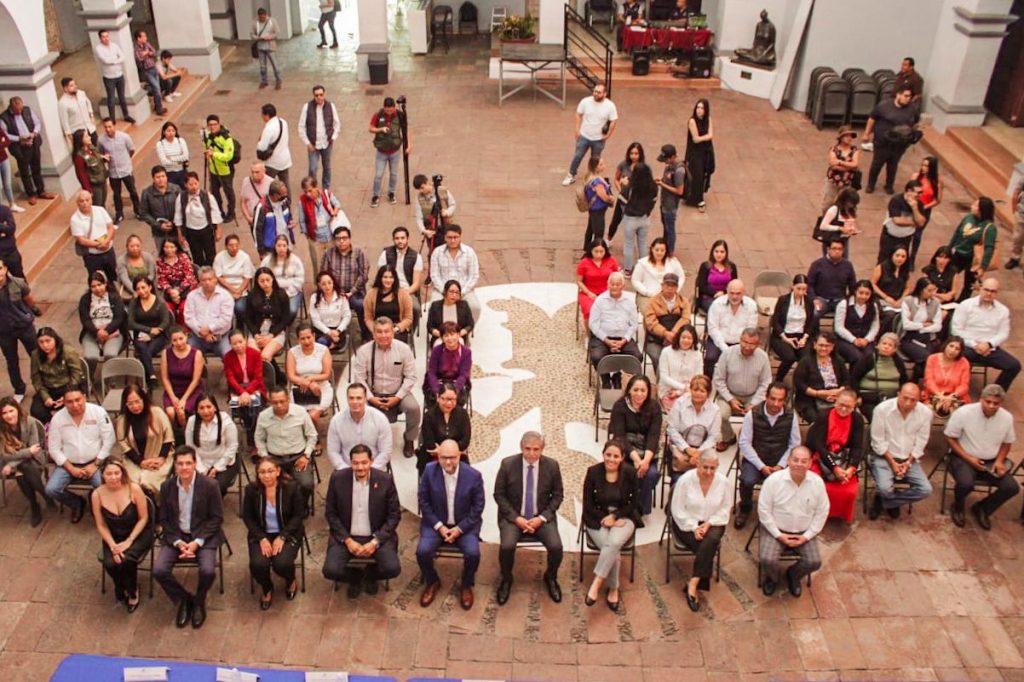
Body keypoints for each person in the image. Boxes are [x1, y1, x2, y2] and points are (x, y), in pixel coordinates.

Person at [154, 446, 223, 629]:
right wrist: (178, 542)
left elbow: (216, 519)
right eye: (180, 464)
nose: (184, 467)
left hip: (203, 536)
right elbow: (164, 519)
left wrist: (197, 542)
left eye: (188, 463)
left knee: (208, 571)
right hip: (176, 536)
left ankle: (199, 601)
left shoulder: (210, 485)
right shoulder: (167, 487)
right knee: (159, 570)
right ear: (175, 465)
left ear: (195, 464)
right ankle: (184, 600)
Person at [493, 431, 564, 605]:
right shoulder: (508, 465)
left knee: (556, 547)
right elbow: (499, 495)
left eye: (536, 449)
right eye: (528, 449)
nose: (531, 453)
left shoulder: (552, 466)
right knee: (507, 546)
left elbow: (558, 496)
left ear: (542, 449)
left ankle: (551, 577)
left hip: (541, 518)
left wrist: (542, 518)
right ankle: (506, 578)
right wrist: (516, 518)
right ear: (521, 447)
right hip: (514, 518)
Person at [322, 444, 402, 598]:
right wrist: (347, 540)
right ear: (350, 462)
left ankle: (371, 575)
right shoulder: (337, 479)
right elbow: (331, 513)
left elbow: (394, 515)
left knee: (393, 569)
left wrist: (375, 541)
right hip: (346, 537)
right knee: (330, 570)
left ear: (371, 461)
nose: (360, 467)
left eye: (364, 462)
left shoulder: (385, 480)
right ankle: (355, 577)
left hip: (376, 536)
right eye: (356, 463)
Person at [416, 440, 485, 610]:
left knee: (473, 554)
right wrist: (439, 526)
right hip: (435, 524)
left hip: (464, 526)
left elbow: (478, 507)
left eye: (452, 458)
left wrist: (459, 529)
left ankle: (466, 583)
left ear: (460, 455)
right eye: (444, 458)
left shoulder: (474, 476)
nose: (448, 462)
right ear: (438, 456)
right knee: (422, 552)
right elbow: (423, 501)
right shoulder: (429, 471)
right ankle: (432, 581)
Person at [757, 446, 828, 597]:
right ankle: (773, 578)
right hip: (776, 529)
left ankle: (793, 575)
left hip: (803, 532)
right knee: (767, 559)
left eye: (804, 461)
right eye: (795, 460)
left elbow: (822, 512)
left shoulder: (817, 483)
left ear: (810, 463)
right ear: (788, 461)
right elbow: (763, 511)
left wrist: (807, 536)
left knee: (814, 562)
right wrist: (778, 535)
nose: (799, 464)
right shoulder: (773, 481)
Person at [945, 384, 1019, 529]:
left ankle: (983, 508)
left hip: (991, 461)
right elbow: (950, 438)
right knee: (966, 483)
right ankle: (958, 506)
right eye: (988, 401)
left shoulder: (1007, 418)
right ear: (981, 399)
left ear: (1001, 403)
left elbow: (1007, 443)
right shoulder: (964, 412)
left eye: (996, 403)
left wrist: (999, 461)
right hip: (963, 457)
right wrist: (969, 458)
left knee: (1011, 487)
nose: (991, 406)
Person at [734, 382, 800, 529]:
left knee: (791, 480)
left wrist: (781, 465)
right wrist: (761, 466)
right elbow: (744, 443)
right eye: (772, 399)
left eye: (780, 400)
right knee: (747, 480)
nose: (776, 403)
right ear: (766, 397)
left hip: (780, 460)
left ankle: (780, 510)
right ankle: (745, 508)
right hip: (756, 459)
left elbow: (794, 444)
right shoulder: (752, 414)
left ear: (785, 400)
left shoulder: (791, 416)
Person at [581, 440, 638, 612]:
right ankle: (613, 588)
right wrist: (606, 519)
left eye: (616, 456)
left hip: (624, 517)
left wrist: (615, 516)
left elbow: (634, 503)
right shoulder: (592, 472)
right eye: (608, 455)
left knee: (613, 543)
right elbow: (588, 505)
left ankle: (597, 582)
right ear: (603, 454)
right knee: (613, 548)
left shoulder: (630, 473)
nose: (611, 459)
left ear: (622, 458)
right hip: (597, 518)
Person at [670, 449, 729, 611]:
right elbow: (677, 510)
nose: (708, 472)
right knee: (709, 545)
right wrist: (694, 527)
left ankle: (693, 583)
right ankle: (697, 582)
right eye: (705, 467)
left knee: (711, 539)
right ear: (698, 464)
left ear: (717, 467)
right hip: (686, 522)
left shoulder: (723, 482)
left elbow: (725, 509)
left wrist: (709, 523)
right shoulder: (685, 481)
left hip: (714, 522)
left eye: (712, 468)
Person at [353, 317, 420, 458]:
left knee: (413, 408)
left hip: (397, 392)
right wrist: (371, 398)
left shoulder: (404, 349)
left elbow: (411, 377)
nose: (383, 335)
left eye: (387, 331)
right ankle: (365, 440)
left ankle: (409, 438)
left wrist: (398, 397)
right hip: (372, 393)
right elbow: (359, 378)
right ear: (373, 334)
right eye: (379, 332)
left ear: (393, 332)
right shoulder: (364, 351)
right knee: (356, 406)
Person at [45, 384, 114, 522]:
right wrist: (71, 468)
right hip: (68, 463)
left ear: (85, 397)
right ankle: (76, 503)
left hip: (95, 462)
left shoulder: (98, 412)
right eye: (70, 401)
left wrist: (96, 464)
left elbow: (109, 440)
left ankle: (96, 501)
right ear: (64, 402)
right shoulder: (58, 418)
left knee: (103, 486)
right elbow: (53, 448)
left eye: (78, 400)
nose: (75, 405)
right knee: (51, 489)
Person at [243, 457, 305, 609]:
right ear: (258, 474)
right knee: (258, 564)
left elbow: (298, 516)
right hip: (261, 534)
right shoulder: (251, 490)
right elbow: (248, 517)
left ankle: (290, 580)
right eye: (262, 472)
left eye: (270, 471)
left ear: (278, 471)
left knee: (282, 563)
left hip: (287, 532)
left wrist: (282, 537)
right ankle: (266, 588)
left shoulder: (291, 488)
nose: (267, 475)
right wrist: (262, 538)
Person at [92, 459, 152, 612]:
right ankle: (121, 584)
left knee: (126, 560)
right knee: (110, 563)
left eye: (116, 473)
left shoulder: (134, 489)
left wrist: (129, 541)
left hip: (138, 533)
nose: (113, 477)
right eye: (109, 474)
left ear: (122, 473)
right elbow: (101, 525)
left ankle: (132, 590)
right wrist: (113, 545)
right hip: (114, 535)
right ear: (103, 475)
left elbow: (144, 518)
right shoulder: (97, 495)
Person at [868, 383, 934, 520]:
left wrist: (908, 462)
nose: (908, 403)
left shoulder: (925, 413)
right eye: (905, 398)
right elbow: (877, 441)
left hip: (908, 458)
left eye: (913, 400)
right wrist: (892, 463)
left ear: (918, 400)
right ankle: (888, 497)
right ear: (898, 395)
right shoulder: (882, 410)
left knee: (925, 490)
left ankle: (886, 501)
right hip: (884, 456)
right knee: (885, 488)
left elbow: (921, 441)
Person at [950, 277, 1019, 391]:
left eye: (993, 291)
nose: (989, 293)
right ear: (980, 289)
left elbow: (1003, 333)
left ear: (997, 293)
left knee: (1014, 366)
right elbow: (956, 330)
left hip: (989, 349)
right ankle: (955, 390)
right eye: (986, 290)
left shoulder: (1002, 310)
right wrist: (975, 345)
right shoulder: (966, 305)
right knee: (956, 357)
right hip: (967, 346)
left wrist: (989, 344)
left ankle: (993, 393)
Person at [806, 389, 864, 524]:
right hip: (821, 456)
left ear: (854, 406)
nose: (843, 409)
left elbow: (857, 446)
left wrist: (851, 468)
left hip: (844, 457)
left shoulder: (857, 419)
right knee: (817, 485)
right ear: (835, 401)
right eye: (841, 404)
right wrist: (834, 468)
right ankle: (817, 514)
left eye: (848, 407)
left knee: (849, 490)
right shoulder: (823, 416)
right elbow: (819, 446)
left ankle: (840, 514)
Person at [609, 375, 662, 516]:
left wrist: (645, 461)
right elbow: (620, 436)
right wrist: (637, 460)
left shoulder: (654, 407)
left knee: (650, 474)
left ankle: (639, 510)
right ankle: (624, 506)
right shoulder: (620, 406)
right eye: (636, 390)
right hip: (625, 451)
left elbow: (654, 436)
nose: (639, 394)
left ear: (648, 392)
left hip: (647, 452)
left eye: (643, 390)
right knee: (627, 471)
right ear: (629, 390)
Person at [254, 386, 318, 498]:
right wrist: (266, 458)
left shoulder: (300, 412)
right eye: (275, 402)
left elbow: (312, 435)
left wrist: (306, 456)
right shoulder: (263, 416)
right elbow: (259, 439)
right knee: (265, 483)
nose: (279, 405)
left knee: (306, 484)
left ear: (288, 399)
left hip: (298, 457)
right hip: (274, 458)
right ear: (270, 402)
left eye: (282, 401)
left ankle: (300, 506)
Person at [0, 396, 52, 527]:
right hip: (10, 462)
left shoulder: (30, 422)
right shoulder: (1, 429)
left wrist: (12, 464)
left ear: (17, 409)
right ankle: (45, 496)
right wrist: (27, 452)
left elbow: (35, 450)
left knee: (23, 469)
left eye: (11, 411)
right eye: (4, 413)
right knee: (24, 469)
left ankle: (34, 505)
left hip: (34, 460)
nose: (8, 415)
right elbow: (5, 455)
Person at [115, 383, 174, 495]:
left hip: (159, 459)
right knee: (132, 484)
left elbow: (168, 437)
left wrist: (161, 458)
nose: (135, 406)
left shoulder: (157, 412)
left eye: (137, 401)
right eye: (130, 404)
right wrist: (140, 462)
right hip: (134, 462)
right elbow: (123, 444)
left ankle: (155, 504)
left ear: (144, 399)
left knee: (148, 481)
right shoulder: (122, 420)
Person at [588, 271, 642, 388]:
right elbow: (593, 323)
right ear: (608, 285)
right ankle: (605, 379)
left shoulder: (629, 302)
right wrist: (606, 340)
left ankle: (618, 375)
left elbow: (633, 325)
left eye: (617, 284)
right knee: (597, 356)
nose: (614, 287)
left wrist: (624, 340)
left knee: (637, 357)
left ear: (623, 286)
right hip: (603, 338)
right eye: (612, 284)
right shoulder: (600, 300)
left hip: (623, 338)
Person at [862, 85, 920, 194]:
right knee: (877, 164)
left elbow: (915, 122)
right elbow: (872, 118)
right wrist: (866, 133)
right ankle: (871, 184)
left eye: (910, 97)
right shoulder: (884, 106)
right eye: (906, 96)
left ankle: (889, 185)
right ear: (898, 94)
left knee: (893, 165)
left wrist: (912, 134)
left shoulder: (912, 109)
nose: (908, 99)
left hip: (899, 145)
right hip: (882, 143)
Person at [0, 96, 56, 205]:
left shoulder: (27, 110)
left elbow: (37, 123)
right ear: (11, 107)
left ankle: (41, 191)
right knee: (25, 171)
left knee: (36, 168)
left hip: (33, 143)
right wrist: (19, 138)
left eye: (21, 108)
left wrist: (34, 133)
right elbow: (5, 135)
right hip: (20, 147)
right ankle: (31, 194)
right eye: (17, 110)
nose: (20, 111)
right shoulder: (4, 118)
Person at [325, 382, 393, 471]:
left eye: (359, 398)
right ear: (347, 399)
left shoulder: (380, 419)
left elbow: (385, 451)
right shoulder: (336, 421)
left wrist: (369, 471)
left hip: (374, 469)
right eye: (351, 398)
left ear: (365, 398)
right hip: (346, 469)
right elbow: (333, 452)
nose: (355, 402)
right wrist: (346, 471)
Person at [666, 374, 720, 481]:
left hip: (703, 450)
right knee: (678, 479)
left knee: (703, 477)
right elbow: (672, 429)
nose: (698, 393)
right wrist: (687, 449)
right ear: (690, 390)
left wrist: (699, 452)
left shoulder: (715, 410)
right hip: (681, 448)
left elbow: (713, 436)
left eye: (702, 391)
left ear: (708, 393)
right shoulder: (679, 403)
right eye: (695, 390)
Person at [185, 393, 240, 497]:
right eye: (201, 408)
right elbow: (190, 448)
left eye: (209, 407)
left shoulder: (225, 420)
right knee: (195, 485)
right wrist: (201, 469)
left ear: (215, 407)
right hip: (200, 462)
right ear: (197, 410)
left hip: (224, 462)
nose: (205, 411)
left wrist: (216, 468)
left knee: (216, 486)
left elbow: (232, 447)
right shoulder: (192, 421)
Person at [563, 83, 617, 187]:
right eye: (595, 91)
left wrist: (608, 135)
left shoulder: (610, 106)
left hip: (599, 139)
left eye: (599, 92)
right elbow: (578, 114)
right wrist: (577, 129)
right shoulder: (585, 101)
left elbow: (613, 121)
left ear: (605, 94)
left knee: (595, 160)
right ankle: (571, 175)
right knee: (577, 156)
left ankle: (592, 177)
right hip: (584, 136)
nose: (596, 94)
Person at [320, 226, 369, 339]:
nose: (341, 241)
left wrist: (351, 292)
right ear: (334, 240)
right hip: (333, 292)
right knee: (321, 304)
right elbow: (323, 275)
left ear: (350, 239)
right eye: (338, 239)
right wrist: (335, 291)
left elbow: (364, 275)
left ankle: (366, 336)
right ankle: (330, 336)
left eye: (344, 238)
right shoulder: (328, 254)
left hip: (354, 292)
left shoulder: (359, 252)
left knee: (362, 305)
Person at [30, 327, 85, 425]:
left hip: (68, 386)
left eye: (48, 341)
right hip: (48, 389)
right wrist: (46, 397)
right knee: (36, 411)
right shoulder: (35, 355)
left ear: (55, 339)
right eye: (41, 342)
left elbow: (76, 375)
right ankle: (51, 427)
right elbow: (36, 379)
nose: (45, 345)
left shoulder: (68, 352)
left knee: (73, 407)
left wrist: (67, 396)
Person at [0, 259, 38, 401]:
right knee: (11, 361)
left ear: (5, 269)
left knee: (36, 356)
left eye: (0, 268)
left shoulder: (18, 283)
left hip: (24, 327)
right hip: (4, 332)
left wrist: (29, 314)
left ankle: (43, 385)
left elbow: (29, 300)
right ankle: (19, 389)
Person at [704, 279, 758, 377]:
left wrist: (740, 347)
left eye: (738, 293)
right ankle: (708, 382)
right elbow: (713, 329)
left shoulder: (751, 305)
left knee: (748, 360)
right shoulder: (716, 304)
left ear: (744, 293)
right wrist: (725, 348)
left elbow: (750, 330)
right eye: (732, 293)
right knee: (710, 358)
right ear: (727, 291)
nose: (734, 296)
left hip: (741, 342)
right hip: (718, 341)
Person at [948, 197, 997, 301]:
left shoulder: (989, 227)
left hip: (974, 259)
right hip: (958, 254)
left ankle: (961, 303)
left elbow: (989, 248)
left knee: (968, 285)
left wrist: (983, 267)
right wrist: (949, 248)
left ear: (981, 210)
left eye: (975, 205)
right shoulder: (968, 217)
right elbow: (957, 233)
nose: (972, 206)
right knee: (949, 276)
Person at [793, 332, 849, 424]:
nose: (824, 348)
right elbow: (799, 383)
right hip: (811, 399)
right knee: (821, 422)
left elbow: (846, 380)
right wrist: (818, 393)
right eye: (821, 345)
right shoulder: (805, 361)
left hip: (836, 397)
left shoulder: (838, 360)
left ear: (832, 347)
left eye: (827, 346)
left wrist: (838, 392)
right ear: (815, 345)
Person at [429, 225, 481, 322]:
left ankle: (467, 328)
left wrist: (461, 292)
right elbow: (434, 275)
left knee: (475, 307)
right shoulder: (437, 252)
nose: (452, 240)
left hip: (464, 290)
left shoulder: (469, 252)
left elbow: (474, 276)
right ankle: (440, 329)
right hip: (442, 290)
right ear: (445, 238)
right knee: (433, 306)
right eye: (449, 237)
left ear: (460, 237)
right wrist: (445, 292)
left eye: (455, 237)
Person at [417, 382, 471, 476]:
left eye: (453, 399)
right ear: (438, 397)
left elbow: (465, 441)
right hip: (433, 455)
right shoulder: (429, 415)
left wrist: (449, 452)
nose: (449, 403)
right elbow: (429, 443)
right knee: (429, 474)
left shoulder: (463, 414)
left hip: (456, 453)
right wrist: (445, 453)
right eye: (445, 399)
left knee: (466, 476)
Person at [851, 332, 908, 420]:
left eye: (890, 345)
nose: (886, 347)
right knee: (877, 418)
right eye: (884, 343)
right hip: (869, 400)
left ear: (894, 349)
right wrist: (857, 396)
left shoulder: (898, 362)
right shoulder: (868, 358)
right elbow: (854, 378)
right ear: (878, 345)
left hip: (892, 400)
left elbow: (904, 381)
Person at [769, 274, 816, 381]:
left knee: (806, 358)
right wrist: (785, 338)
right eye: (798, 289)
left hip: (801, 336)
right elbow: (775, 321)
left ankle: (800, 381)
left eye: (804, 289)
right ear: (792, 286)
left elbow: (811, 323)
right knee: (789, 357)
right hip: (783, 336)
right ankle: (779, 380)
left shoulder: (809, 302)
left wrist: (804, 338)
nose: (801, 292)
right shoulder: (783, 300)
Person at [223, 329, 266, 444]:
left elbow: (258, 378)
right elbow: (230, 378)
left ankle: (258, 440)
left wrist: (247, 392)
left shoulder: (256, 354)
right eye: (234, 343)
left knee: (256, 409)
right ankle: (251, 441)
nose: (238, 346)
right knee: (245, 408)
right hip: (238, 389)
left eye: (240, 342)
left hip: (255, 387)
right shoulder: (228, 357)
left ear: (245, 340)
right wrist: (242, 392)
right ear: (230, 344)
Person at [126, 275, 171, 386]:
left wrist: (151, 336)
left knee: (147, 351)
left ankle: (148, 376)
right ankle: (151, 375)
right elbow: (131, 323)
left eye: (143, 287)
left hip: (159, 335)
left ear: (150, 287)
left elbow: (165, 322)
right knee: (142, 347)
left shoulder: (160, 302)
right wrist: (149, 330)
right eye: (138, 289)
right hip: (141, 334)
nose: (141, 291)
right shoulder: (134, 302)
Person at [174, 171, 223, 268]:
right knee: (197, 256)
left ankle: (212, 273)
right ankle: (199, 273)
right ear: (185, 185)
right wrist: (180, 234)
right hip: (191, 231)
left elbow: (215, 213)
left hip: (206, 229)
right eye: (190, 184)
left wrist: (218, 229)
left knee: (211, 255)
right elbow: (178, 216)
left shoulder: (207, 195)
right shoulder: (181, 197)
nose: (194, 187)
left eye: (195, 183)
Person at [286, 323, 334, 423]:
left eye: (309, 337)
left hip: (321, 388)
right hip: (300, 389)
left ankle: (312, 433)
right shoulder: (292, 352)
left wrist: (310, 379)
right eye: (302, 338)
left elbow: (327, 374)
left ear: (314, 336)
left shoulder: (323, 350)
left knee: (312, 416)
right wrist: (308, 383)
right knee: (300, 417)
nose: (306, 341)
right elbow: (291, 376)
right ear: (298, 339)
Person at [643, 272, 690, 372]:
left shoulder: (684, 301)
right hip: (655, 340)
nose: (670, 288)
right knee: (659, 359)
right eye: (667, 285)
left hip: (677, 339)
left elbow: (686, 319)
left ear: (677, 288)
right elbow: (650, 322)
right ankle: (661, 381)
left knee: (681, 359)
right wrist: (665, 333)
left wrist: (673, 333)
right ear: (662, 286)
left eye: (673, 286)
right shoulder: (652, 302)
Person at [160, 326, 205, 429]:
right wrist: (173, 397)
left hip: (191, 390)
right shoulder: (166, 353)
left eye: (181, 338)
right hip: (173, 389)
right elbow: (165, 378)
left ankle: (187, 434)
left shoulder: (196, 353)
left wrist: (184, 399)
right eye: (175, 340)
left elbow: (196, 380)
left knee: (181, 413)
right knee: (170, 412)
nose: (179, 343)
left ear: (186, 336)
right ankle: (172, 433)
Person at [183, 266, 234, 357]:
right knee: (186, 354)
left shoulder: (225, 296)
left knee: (228, 355)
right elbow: (189, 317)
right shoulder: (192, 296)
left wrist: (209, 329)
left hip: (221, 337)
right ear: (199, 281)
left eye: (210, 279)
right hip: (198, 337)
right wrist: (201, 331)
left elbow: (226, 318)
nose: (207, 282)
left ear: (215, 280)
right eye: (204, 280)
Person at [368, 97, 410, 207]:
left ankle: (391, 193)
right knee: (378, 175)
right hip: (381, 151)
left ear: (394, 107)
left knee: (394, 174)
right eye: (387, 110)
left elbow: (406, 131)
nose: (389, 112)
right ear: (384, 108)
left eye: (391, 110)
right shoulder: (378, 115)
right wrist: (380, 129)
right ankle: (376, 195)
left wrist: (409, 145)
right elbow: (371, 128)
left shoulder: (400, 115)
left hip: (395, 151)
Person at [898, 277, 942, 380]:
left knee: (924, 361)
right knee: (928, 358)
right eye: (929, 290)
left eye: (934, 290)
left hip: (928, 338)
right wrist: (923, 325)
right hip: (909, 338)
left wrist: (919, 328)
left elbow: (938, 326)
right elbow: (906, 325)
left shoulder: (935, 302)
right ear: (921, 289)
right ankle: (917, 382)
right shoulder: (908, 301)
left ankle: (913, 382)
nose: (933, 293)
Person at [97, 117, 140, 223]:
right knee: (116, 194)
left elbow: (131, 150)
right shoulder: (101, 140)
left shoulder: (124, 137)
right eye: (105, 127)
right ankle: (119, 214)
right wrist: (105, 158)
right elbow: (100, 153)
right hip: (113, 172)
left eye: (110, 126)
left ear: (114, 125)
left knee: (132, 191)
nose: (108, 129)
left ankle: (138, 211)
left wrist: (126, 160)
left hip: (126, 170)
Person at [619, 162, 658, 275]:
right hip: (644, 218)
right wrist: (647, 212)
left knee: (628, 244)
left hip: (630, 218)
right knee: (643, 243)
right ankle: (643, 268)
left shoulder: (629, 187)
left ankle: (628, 270)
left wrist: (623, 185)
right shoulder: (653, 186)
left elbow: (622, 201)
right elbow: (654, 201)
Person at [298, 176, 343, 275]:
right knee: (318, 267)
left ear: (316, 187)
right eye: (305, 192)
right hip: (316, 239)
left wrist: (334, 213)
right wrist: (308, 237)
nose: (308, 194)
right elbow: (302, 221)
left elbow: (337, 204)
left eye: (310, 191)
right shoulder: (302, 202)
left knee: (334, 265)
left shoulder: (326, 194)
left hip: (331, 236)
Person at [77, 270, 126, 361]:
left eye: (99, 285)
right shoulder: (85, 299)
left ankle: (110, 371)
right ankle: (89, 371)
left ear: (105, 284)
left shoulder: (115, 297)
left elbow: (119, 318)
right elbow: (85, 319)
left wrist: (106, 331)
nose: (97, 288)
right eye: (93, 286)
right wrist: (97, 332)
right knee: (91, 357)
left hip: (113, 332)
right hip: (91, 333)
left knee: (110, 354)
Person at [70, 189, 117, 283]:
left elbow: (110, 227)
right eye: (82, 201)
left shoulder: (100, 210)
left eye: (87, 200)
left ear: (91, 200)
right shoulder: (75, 219)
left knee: (113, 277)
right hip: (92, 256)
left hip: (108, 251)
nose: (85, 203)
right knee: (96, 280)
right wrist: (98, 245)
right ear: (77, 203)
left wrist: (107, 241)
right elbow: (81, 240)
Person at [245, 266, 290, 362]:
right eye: (262, 281)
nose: (265, 283)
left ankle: (272, 371)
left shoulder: (281, 295)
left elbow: (285, 319)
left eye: (267, 280)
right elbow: (248, 318)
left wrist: (271, 335)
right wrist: (255, 334)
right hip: (257, 332)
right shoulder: (252, 295)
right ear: (257, 282)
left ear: (272, 279)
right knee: (255, 357)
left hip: (275, 332)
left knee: (265, 356)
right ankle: (274, 371)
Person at [298, 85, 340, 190]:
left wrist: (333, 137)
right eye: (316, 95)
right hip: (313, 144)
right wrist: (308, 143)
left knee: (327, 167)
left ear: (324, 94)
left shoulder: (331, 106)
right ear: (314, 96)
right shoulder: (307, 107)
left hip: (327, 143)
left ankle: (326, 189)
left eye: (321, 95)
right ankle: (312, 188)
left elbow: (337, 124)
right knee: (312, 168)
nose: (319, 97)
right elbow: (301, 127)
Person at [632, 237, 684, 314]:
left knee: (677, 312)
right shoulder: (642, 264)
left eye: (662, 250)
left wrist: (675, 290)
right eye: (657, 250)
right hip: (647, 296)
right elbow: (635, 280)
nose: (659, 253)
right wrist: (646, 292)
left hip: (669, 296)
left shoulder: (673, 262)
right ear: (652, 249)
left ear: (666, 251)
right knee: (650, 313)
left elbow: (681, 276)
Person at [834, 279, 881, 365]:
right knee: (857, 357)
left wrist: (867, 339)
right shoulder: (844, 304)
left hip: (865, 340)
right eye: (861, 293)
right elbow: (839, 327)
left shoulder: (873, 305)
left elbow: (875, 326)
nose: (863, 296)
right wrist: (853, 340)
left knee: (871, 356)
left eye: (867, 294)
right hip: (845, 340)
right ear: (855, 291)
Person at [877, 181, 925, 266]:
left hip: (905, 239)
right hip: (889, 237)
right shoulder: (896, 200)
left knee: (901, 262)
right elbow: (897, 221)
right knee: (883, 261)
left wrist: (914, 208)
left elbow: (921, 223)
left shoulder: (919, 204)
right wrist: (915, 222)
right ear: (909, 191)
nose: (920, 195)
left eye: (921, 192)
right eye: (918, 192)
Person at [907, 156, 942, 269]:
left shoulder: (937, 181)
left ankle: (912, 258)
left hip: (924, 210)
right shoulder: (915, 176)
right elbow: (908, 191)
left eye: (926, 166)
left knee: (917, 235)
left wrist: (926, 206)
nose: (923, 168)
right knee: (907, 232)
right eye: (923, 165)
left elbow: (937, 200)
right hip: (911, 208)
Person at [260, 234, 305, 322]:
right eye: (279, 245)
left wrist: (288, 292)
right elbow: (261, 276)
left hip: (291, 292)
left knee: (291, 311)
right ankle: (277, 324)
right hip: (271, 292)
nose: (281, 248)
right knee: (269, 309)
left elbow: (300, 279)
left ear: (287, 247)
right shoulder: (267, 260)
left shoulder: (295, 260)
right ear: (275, 246)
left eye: (284, 246)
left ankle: (285, 324)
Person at [808, 238, 856, 319]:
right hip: (821, 299)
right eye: (834, 249)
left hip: (840, 300)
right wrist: (814, 299)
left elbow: (853, 286)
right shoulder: (817, 264)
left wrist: (848, 300)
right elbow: (809, 285)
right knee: (814, 313)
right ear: (828, 249)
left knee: (850, 314)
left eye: (840, 249)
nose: (837, 251)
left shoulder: (848, 265)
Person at [923, 336, 971, 416]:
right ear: (945, 345)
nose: (953, 350)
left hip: (955, 396)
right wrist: (939, 396)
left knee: (956, 414)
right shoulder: (932, 359)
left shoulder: (964, 363)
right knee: (928, 411)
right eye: (951, 346)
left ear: (960, 352)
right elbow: (929, 380)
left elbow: (964, 385)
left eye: (957, 349)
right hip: (934, 394)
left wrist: (952, 397)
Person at [425, 322, 472, 405]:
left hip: (457, 383)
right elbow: (431, 373)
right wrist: (437, 390)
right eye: (446, 336)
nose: (450, 338)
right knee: (433, 400)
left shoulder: (466, 352)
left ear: (458, 335)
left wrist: (454, 391)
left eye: (452, 334)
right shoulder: (436, 350)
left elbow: (464, 375)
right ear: (442, 338)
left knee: (458, 401)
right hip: (439, 382)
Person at [658, 325, 702, 413]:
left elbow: (698, 378)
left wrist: (680, 392)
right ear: (678, 337)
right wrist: (682, 388)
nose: (686, 340)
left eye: (689, 338)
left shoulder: (698, 354)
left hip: (690, 391)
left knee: (694, 410)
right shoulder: (666, 352)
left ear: (694, 340)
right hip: (669, 390)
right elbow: (664, 377)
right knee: (679, 412)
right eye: (683, 337)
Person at [364, 265, 414, 343]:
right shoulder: (371, 294)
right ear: (380, 278)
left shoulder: (404, 294)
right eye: (385, 277)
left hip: (396, 331)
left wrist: (396, 329)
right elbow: (368, 318)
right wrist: (376, 330)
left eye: (391, 277)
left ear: (395, 279)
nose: (388, 280)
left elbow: (408, 318)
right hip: (377, 330)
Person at [93, 31, 134, 124]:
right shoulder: (99, 48)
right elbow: (105, 61)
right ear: (100, 38)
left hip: (119, 75)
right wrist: (116, 59)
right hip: (109, 77)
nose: (106, 38)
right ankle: (112, 119)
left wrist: (113, 60)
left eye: (107, 36)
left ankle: (126, 115)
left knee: (122, 97)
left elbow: (122, 57)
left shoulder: (114, 45)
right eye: (103, 37)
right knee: (111, 99)